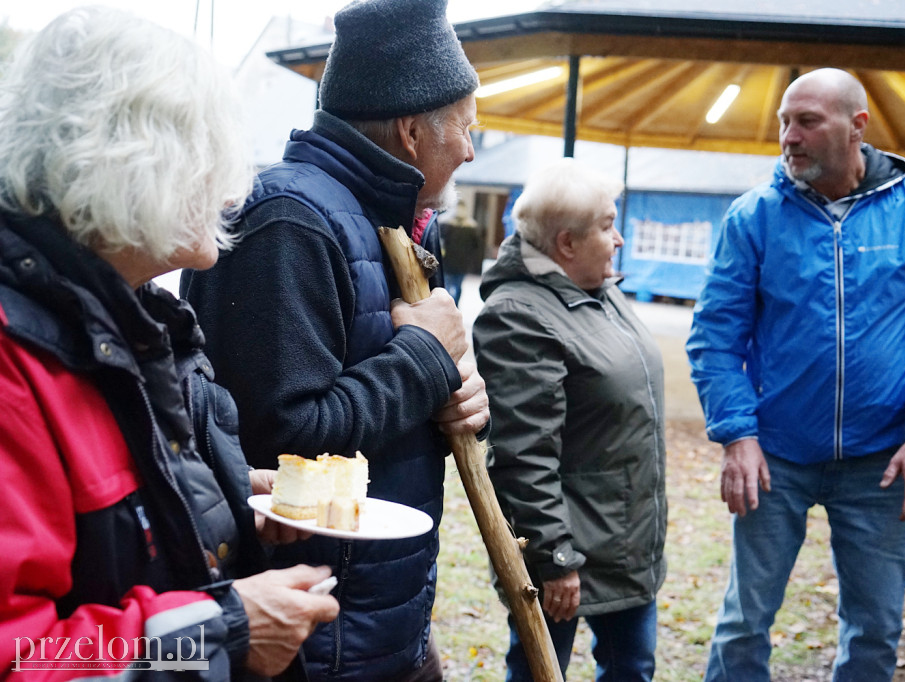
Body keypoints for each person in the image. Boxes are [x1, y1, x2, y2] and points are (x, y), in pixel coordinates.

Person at [0, 7, 339, 680]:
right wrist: (226, 634)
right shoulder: (18, 361)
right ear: (130, 163)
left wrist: (223, 498)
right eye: (209, 159)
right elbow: (21, 655)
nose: (230, 190)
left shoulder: (129, 320)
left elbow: (115, 513)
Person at [180, 0, 490, 679]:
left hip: (385, 614)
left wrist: (459, 400)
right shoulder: (289, 224)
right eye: (466, 128)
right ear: (411, 130)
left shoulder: (401, 226)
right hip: (312, 635)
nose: (471, 148)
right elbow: (274, 444)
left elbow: (396, 396)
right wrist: (425, 360)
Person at [686, 67, 905, 681]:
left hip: (882, 458)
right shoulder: (755, 218)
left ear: (857, 127)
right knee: (744, 622)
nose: (788, 137)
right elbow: (716, 338)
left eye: (806, 121)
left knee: (874, 629)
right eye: (783, 123)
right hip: (776, 455)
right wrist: (738, 435)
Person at [473, 158, 667, 681]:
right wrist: (555, 558)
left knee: (631, 669)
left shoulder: (600, 292)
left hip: (624, 543)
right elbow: (522, 453)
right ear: (566, 243)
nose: (619, 239)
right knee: (540, 671)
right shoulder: (518, 316)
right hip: (570, 555)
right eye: (607, 226)